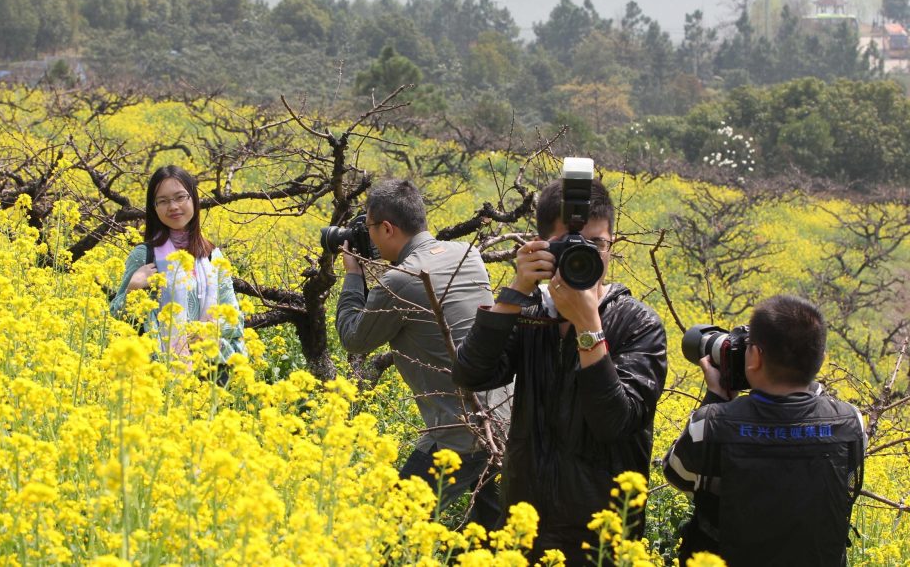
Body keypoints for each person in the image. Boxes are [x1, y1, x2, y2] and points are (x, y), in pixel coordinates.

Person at [452, 176, 668, 562]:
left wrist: (588, 326)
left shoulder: (638, 324)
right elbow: (471, 374)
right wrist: (516, 291)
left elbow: (613, 423)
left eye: (597, 245)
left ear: (613, 244)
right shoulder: (533, 312)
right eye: (568, 247)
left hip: (600, 540)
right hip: (524, 530)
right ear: (540, 247)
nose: (585, 258)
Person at [335, 179, 512, 529]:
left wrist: (353, 275)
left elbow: (353, 338)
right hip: (505, 420)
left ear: (387, 228)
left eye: (369, 228)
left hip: (460, 433)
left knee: (393, 525)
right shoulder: (468, 254)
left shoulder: (401, 279)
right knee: (492, 533)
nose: (367, 237)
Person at [663, 295, 865, 567]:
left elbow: (676, 474)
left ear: (756, 357)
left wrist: (717, 399)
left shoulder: (710, 425)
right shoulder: (852, 422)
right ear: (821, 359)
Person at [110, 165, 244, 368]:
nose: (172, 206)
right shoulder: (145, 255)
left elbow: (235, 320)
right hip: (154, 376)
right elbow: (115, 319)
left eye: (180, 197)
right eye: (163, 201)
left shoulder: (213, 257)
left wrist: (209, 331)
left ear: (194, 199)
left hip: (209, 373)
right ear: (154, 208)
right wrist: (132, 289)